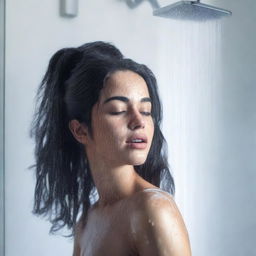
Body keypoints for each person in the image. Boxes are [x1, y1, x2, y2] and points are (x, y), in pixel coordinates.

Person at [30, 41, 192, 256]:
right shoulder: (86, 224)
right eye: (118, 110)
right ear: (80, 131)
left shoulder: (153, 209)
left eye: (146, 110)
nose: (138, 121)